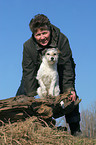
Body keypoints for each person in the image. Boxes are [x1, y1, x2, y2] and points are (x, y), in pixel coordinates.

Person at [16, 14, 81, 136]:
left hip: (59, 72)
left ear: (49, 29)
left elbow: (68, 66)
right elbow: (28, 71)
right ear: (33, 35)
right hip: (37, 74)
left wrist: (69, 88)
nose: (42, 37)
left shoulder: (62, 40)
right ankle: (17, 125)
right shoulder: (28, 46)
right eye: (38, 35)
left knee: (71, 96)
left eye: (44, 33)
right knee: (22, 93)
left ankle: (75, 129)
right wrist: (31, 96)